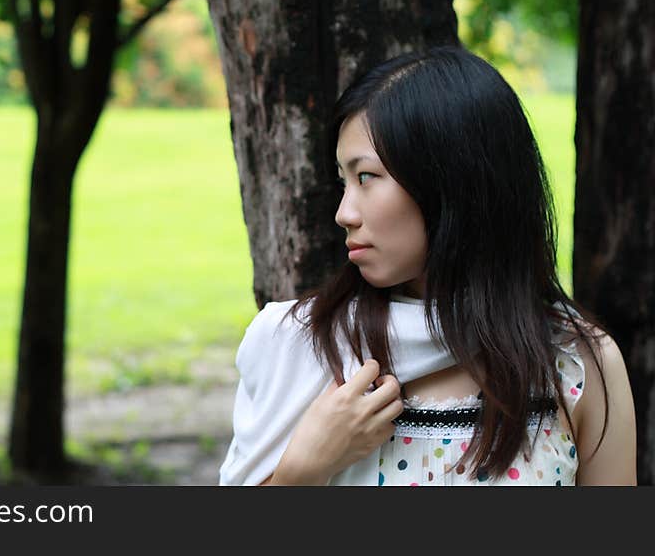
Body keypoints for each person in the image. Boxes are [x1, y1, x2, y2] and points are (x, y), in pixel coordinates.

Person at [219, 46, 637, 486]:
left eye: (366, 178)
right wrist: (302, 470)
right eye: (343, 180)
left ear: (452, 182)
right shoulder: (300, 344)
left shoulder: (575, 363)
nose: (345, 213)